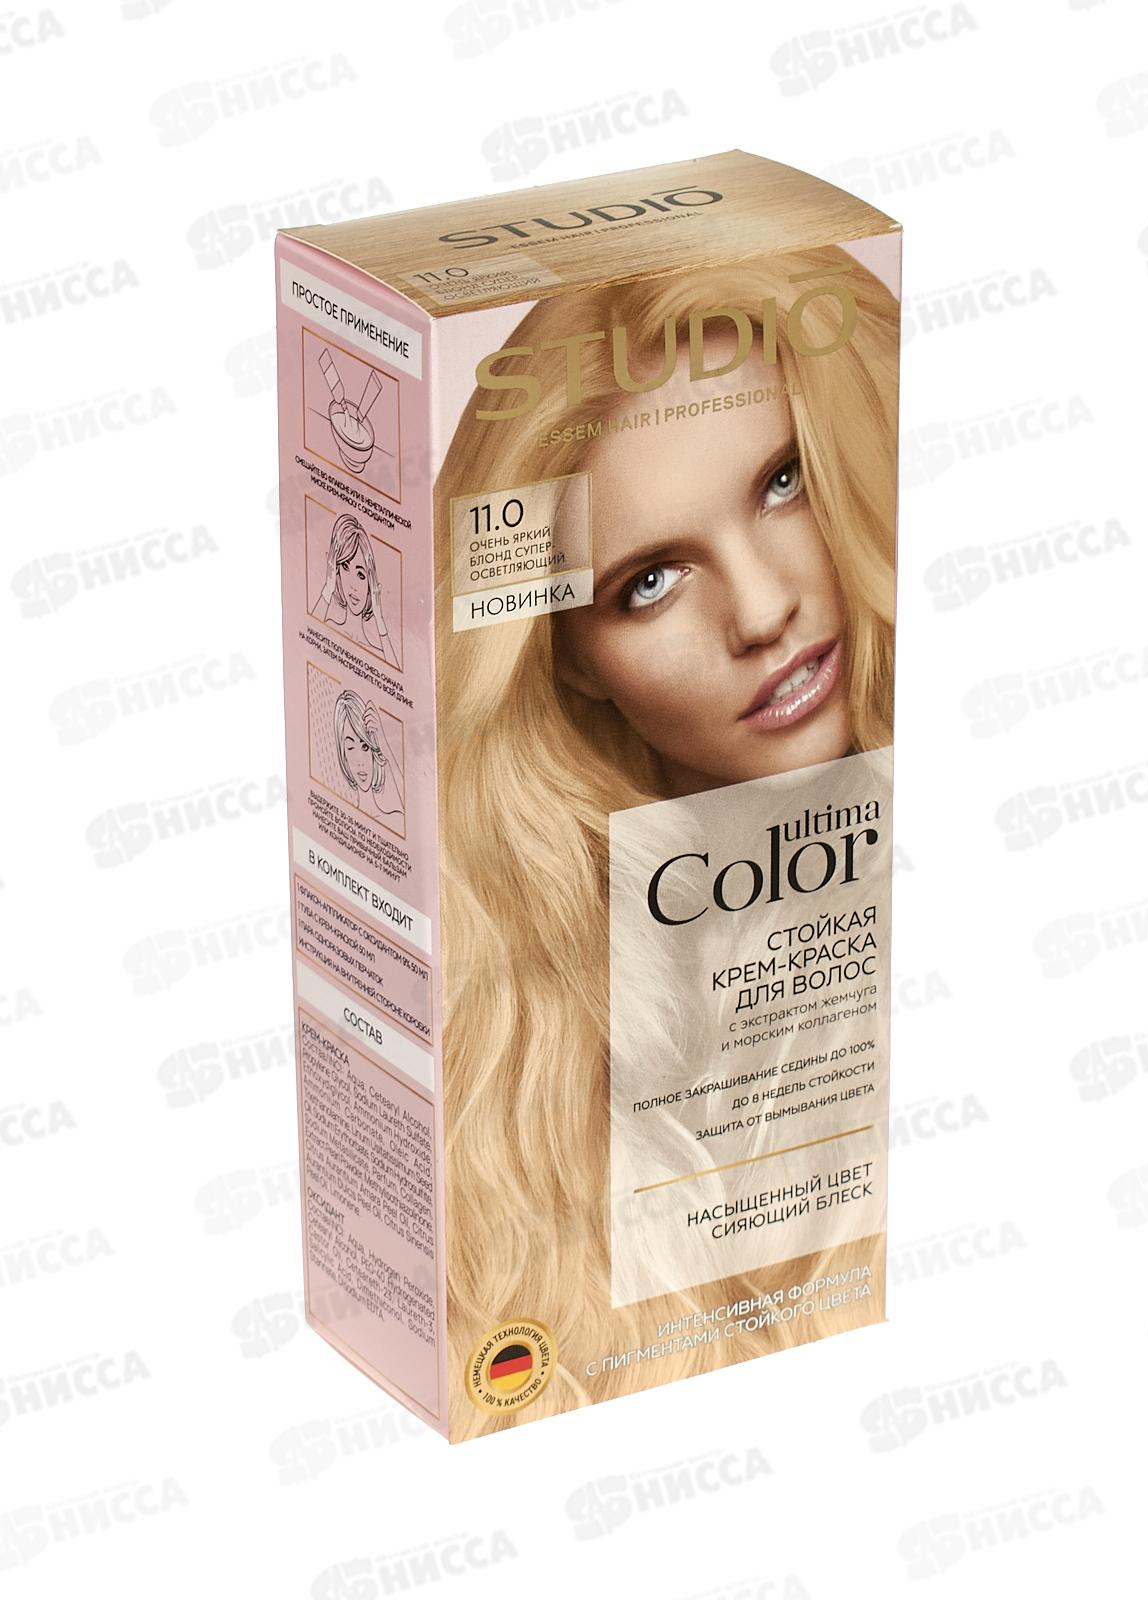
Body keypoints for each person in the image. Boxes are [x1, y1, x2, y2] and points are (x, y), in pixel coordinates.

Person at [432, 245, 898, 1436]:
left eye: (786, 481)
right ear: (570, 663)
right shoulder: (526, 1067)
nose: (764, 610)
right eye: (649, 582)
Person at [315, 513, 400, 669]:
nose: (352, 585)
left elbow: (397, 677)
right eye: (345, 567)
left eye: (361, 575)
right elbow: (307, 641)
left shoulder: (378, 656)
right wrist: (328, 588)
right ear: (336, 570)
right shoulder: (328, 629)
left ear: (370, 584)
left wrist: (379, 619)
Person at [333, 688, 405, 829]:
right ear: (343, 754)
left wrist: (385, 747)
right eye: (350, 748)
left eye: (365, 746)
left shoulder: (397, 819)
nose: (360, 761)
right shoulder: (341, 822)